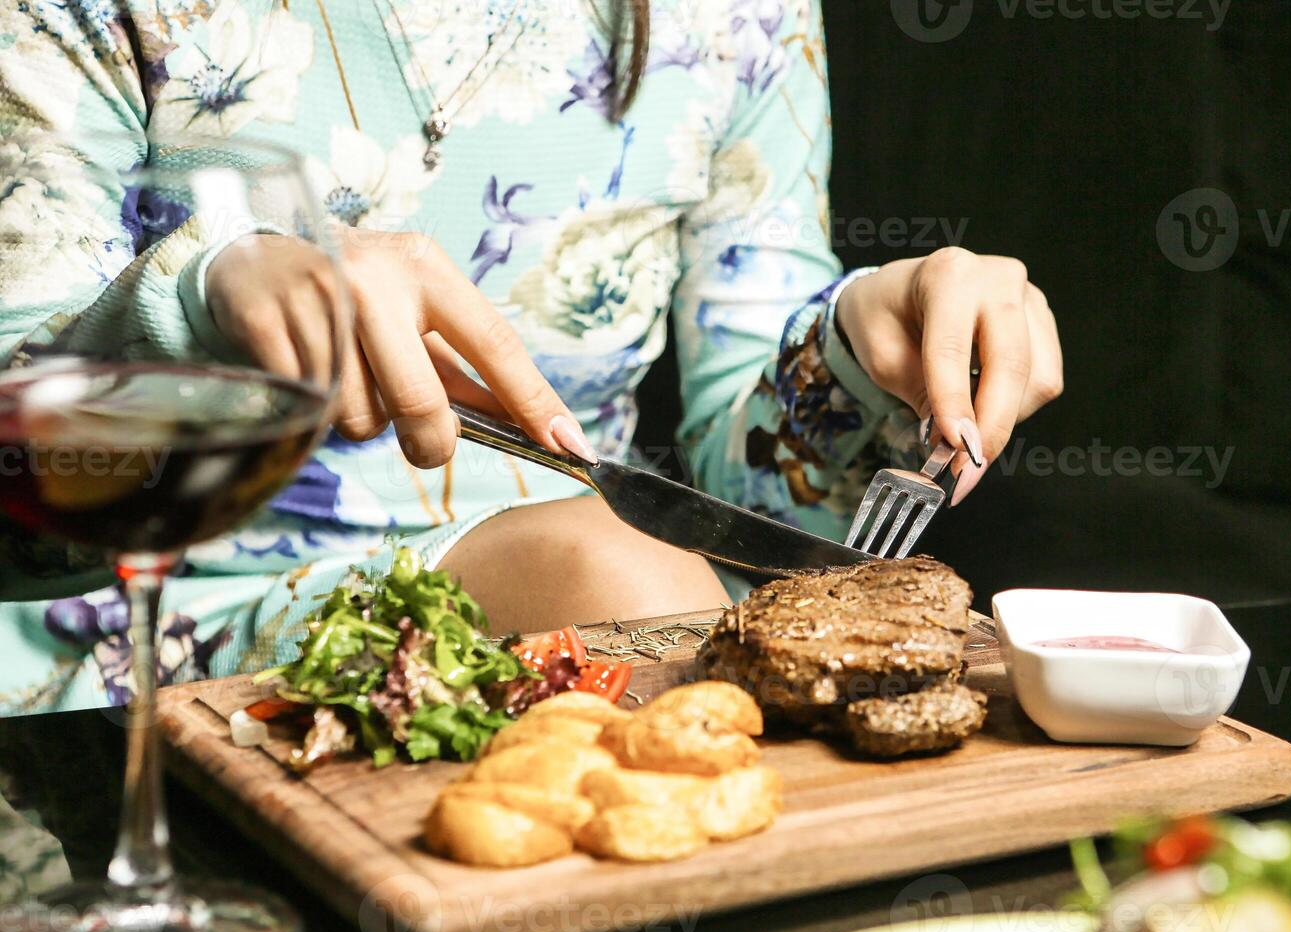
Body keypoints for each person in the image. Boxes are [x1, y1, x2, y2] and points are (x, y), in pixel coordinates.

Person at [0, 0, 1062, 714]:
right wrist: (200, 304)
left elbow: (765, 513)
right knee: (618, 573)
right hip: (126, 656)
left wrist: (857, 355)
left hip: (625, 620)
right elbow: (20, 509)